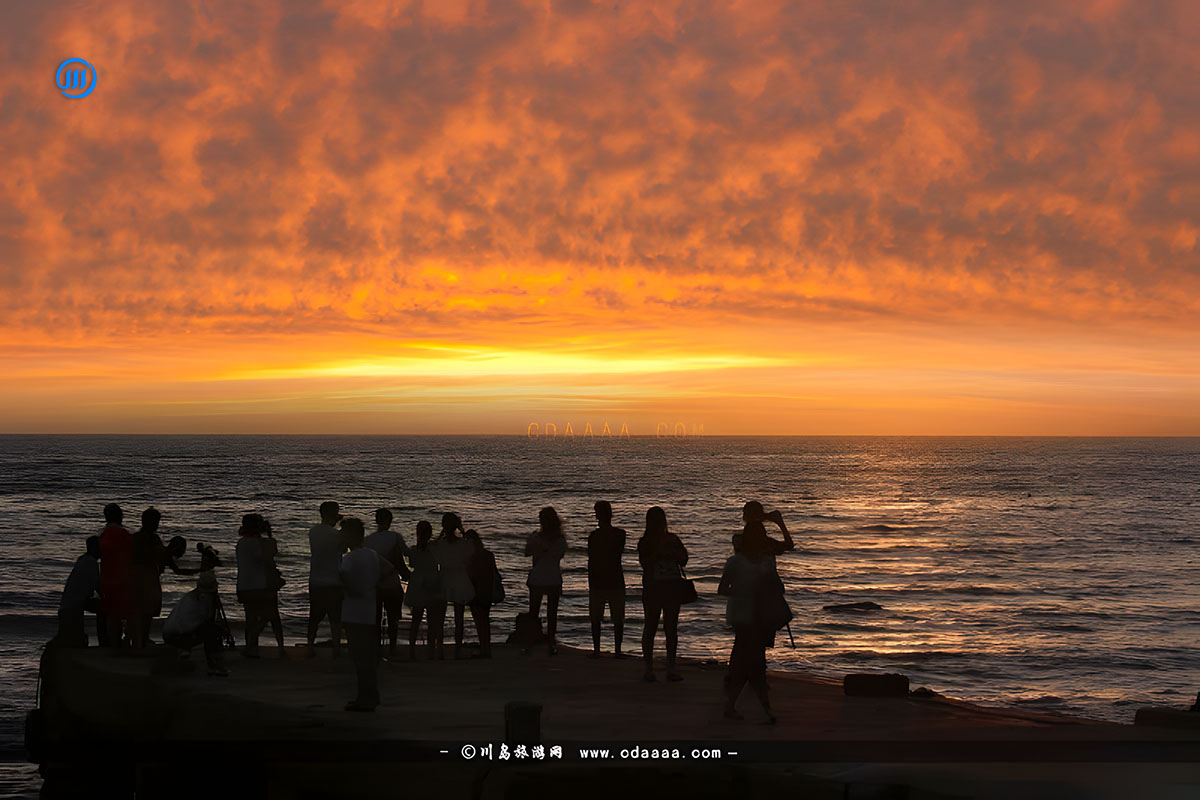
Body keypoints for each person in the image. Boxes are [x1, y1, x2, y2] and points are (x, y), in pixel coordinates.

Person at [718, 533, 778, 723]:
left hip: (758, 617)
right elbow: (723, 589)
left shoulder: (765, 563)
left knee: (747, 663)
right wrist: (746, 592)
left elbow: (778, 588)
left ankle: (734, 705)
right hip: (743, 617)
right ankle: (764, 710)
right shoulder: (736, 563)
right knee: (754, 663)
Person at [339, 517, 397, 712]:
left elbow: (344, 575)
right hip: (369, 610)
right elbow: (389, 568)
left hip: (354, 612)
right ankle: (370, 696)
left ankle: (365, 698)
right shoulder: (372, 554)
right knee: (368, 657)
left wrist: (354, 589)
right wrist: (374, 584)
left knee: (359, 658)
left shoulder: (349, 558)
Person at [637, 506, 689, 682]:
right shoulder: (645, 542)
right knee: (651, 626)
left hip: (671, 587)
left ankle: (670, 668)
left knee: (670, 628)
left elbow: (684, 559)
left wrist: (673, 551)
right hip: (654, 587)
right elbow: (645, 564)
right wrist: (659, 551)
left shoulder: (673, 539)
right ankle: (649, 668)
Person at [364, 508, 411, 657]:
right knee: (393, 618)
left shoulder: (368, 540)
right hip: (392, 583)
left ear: (376, 521)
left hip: (375, 584)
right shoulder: (396, 537)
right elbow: (406, 555)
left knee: (375, 619)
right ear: (390, 521)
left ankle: (376, 648)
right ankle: (392, 648)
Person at [236, 513, 285, 658]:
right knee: (272, 616)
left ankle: (252, 648)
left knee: (250, 618)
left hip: (245, 586)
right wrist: (269, 535)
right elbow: (269, 558)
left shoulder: (241, 543)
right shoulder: (259, 544)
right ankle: (279, 648)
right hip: (261, 585)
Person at [163, 571, 229, 677]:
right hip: (178, 636)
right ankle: (213, 664)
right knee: (211, 631)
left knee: (210, 629)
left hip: (170, 634)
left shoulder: (190, 596)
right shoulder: (203, 599)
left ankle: (185, 649)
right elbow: (207, 619)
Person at [587, 500, 627, 658]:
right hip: (612, 579)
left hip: (602, 580)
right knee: (615, 618)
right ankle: (615, 651)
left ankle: (599, 650)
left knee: (599, 617)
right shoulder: (619, 534)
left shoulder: (596, 536)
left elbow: (592, 559)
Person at [525, 506, 567, 656]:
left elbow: (527, 552)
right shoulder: (560, 540)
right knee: (552, 613)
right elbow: (559, 556)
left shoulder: (535, 537)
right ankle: (550, 643)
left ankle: (529, 644)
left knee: (533, 613)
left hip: (538, 577)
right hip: (553, 577)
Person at [434, 513, 476, 656]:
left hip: (445, 579)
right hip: (459, 579)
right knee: (459, 618)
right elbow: (471, 552)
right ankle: (457, 649)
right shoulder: (464, 544)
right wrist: (462, 531)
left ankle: (439, 648)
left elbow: (436, 557)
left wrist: (439, 536)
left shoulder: (439, 545)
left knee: (440, 618)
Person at [308, 501, 346, 656]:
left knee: (314, 617)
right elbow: (344, 549)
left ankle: (310, 646)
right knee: (335, 618)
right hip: (334, 580)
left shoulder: (313, 532)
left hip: (316, 579)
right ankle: (336, 647)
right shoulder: (336, 535)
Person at [99, 503, 136, 647]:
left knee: (112, 615)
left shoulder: (104, 535)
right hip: (123, 579)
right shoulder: (124, 535)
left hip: (107, 579)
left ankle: (114, 643)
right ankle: (125, 641)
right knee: (127, 613)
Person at [405, 521, 443, 659]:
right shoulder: (434, 548)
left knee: (416, 620)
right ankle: (431, 650)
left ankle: (412, 650)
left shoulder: (414, 550)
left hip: (417, 584)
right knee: (432, 621)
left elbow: (412, 564)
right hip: (432, 583)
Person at [56, 536, 102, 647]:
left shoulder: (82, 560)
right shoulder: (91, 563)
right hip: (73, 607)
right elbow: (98, 587)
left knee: (69, 637)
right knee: (74, 639)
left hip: (68, 606)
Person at [130, 507, 166, 648]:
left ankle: (138, 639)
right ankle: (142, 639)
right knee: (147, 610)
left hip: (136, 577)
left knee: (140, 610)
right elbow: (161, 559)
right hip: (147, 576)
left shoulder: (135, 538)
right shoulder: (153, 539)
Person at [464, 529, 498, 658]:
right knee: (485, 621)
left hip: (475, 591)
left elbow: (471, 575)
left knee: (479, 622)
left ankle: (484, 649)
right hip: (486, 591)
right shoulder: (488, 555)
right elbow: (493, 574)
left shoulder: (471, 557)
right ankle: (486, 648)